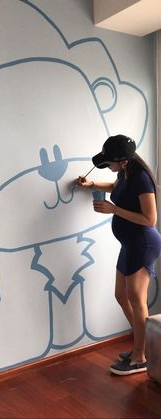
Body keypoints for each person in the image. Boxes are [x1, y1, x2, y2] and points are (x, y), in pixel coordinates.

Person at [77, 134, 161, 375]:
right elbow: (115, 187)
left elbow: (150, 219)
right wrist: (92, 185)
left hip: (143, 243)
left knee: (136, 298)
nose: (108, 166)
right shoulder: (125, 173)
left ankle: (140, 356)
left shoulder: (142, 178)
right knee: (120, 295)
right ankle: (140, 347)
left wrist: (113, 210)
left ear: (123, 161)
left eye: (110, 163)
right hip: (130, 243)